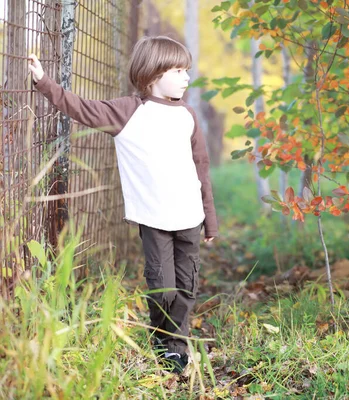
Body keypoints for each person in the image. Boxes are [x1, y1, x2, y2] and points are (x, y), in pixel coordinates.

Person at [28, 36, 219, 374]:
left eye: (186, 70)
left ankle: (175, 346)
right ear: (153, 75)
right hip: (154, 218)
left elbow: (200, 165)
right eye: (178, 70)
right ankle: (163, 340)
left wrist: (210, 220)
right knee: (162, 286)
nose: (186, 77)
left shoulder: (188, 115)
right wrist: (44, 83)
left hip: (190, 216)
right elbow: (81, 108)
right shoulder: (128, 112)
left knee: (186, 285)